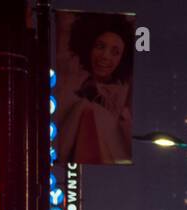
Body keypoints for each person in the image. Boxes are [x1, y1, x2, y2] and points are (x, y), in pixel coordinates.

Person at [54, 12, 134, 164]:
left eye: (115, 52)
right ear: (89, 47)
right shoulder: (70, 82)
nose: (105, 56)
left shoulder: (121, 104)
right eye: (100, 46)